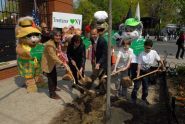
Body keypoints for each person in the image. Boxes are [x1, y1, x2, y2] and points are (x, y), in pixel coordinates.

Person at [131, 39, 164, 105]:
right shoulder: (141, 54)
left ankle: (143, 99)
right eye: (146, 47)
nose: (147, 49)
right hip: (140, 72)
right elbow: (139, 65)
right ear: (144, 46)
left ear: (151, 47)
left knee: (145, 87)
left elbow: (160, 60)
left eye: (149, 48)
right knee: (136, 87)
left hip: (147, 72)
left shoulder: (154, 52)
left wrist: (162, 66)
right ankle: (133, 99)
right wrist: (137, 75)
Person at [42, 29, 68, 99]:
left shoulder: (55, 42)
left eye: (59, 36)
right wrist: (62, 63)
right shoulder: (50, 44)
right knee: (50, 78)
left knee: (54, 75)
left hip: (52, 63)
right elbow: (53, 56)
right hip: (48, 63)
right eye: (56, 36)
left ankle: (54, 88)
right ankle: (52, 94)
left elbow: (57, 52)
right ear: (53, 36)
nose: (58, 37)